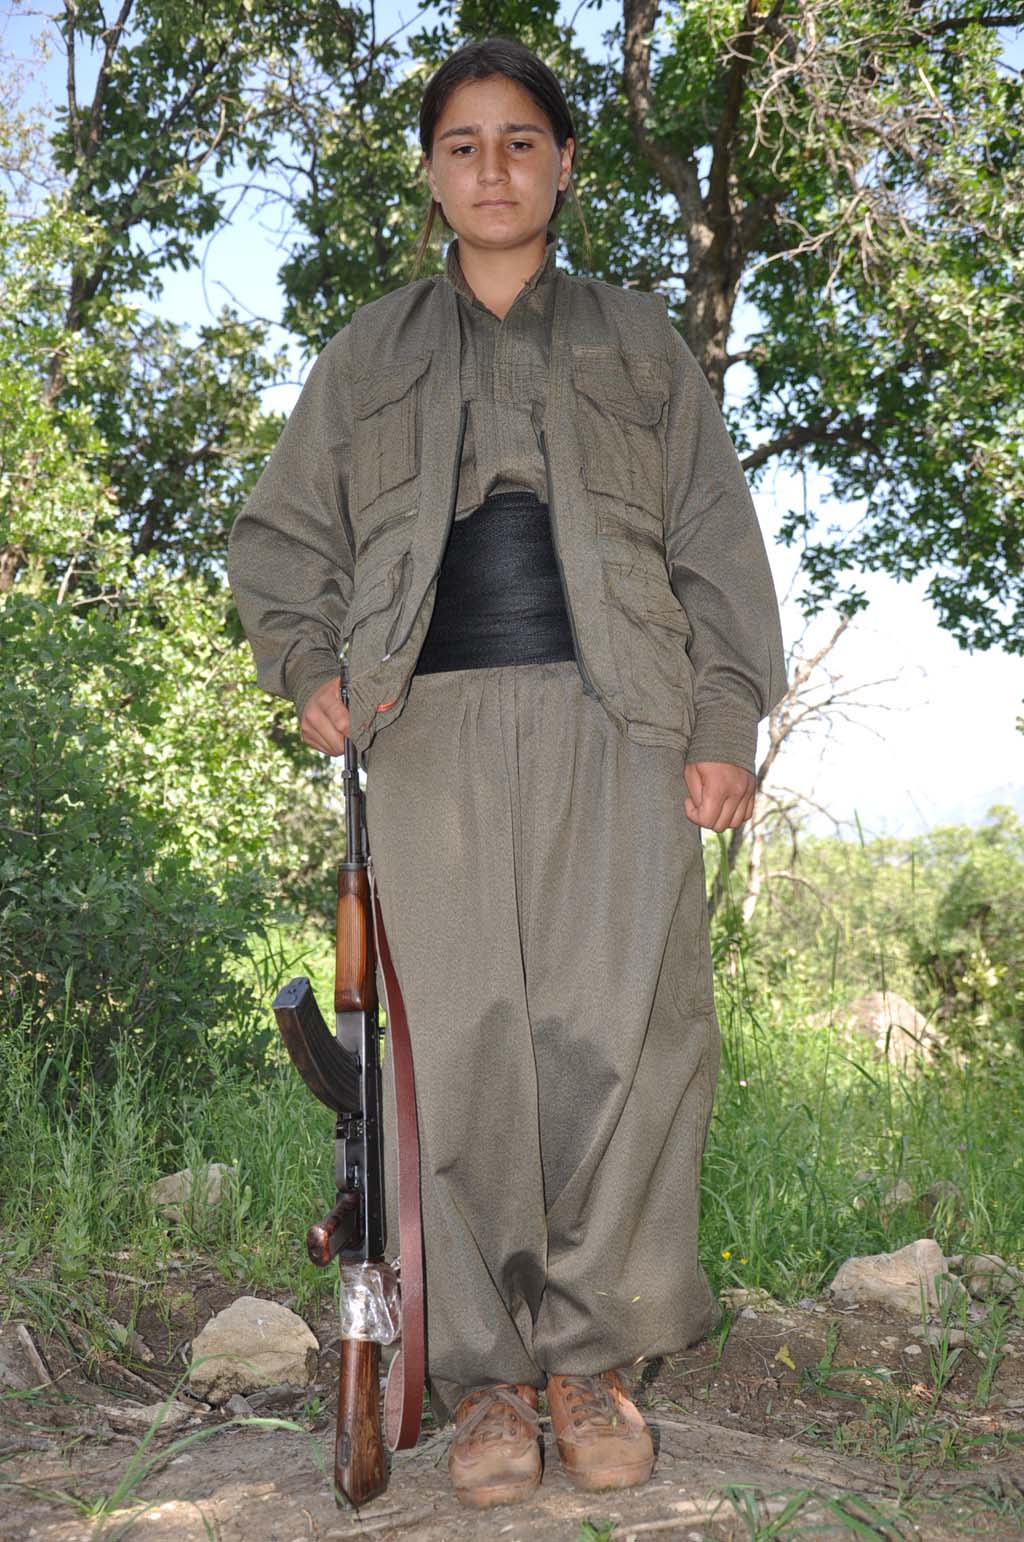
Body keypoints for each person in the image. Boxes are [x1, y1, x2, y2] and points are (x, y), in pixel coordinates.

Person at [229, 36, 785, 1510]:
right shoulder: (369, 353)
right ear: (431, 174)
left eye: (522, 140)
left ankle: (591, 1363)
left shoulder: (640, 344)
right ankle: (482, 1377)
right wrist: (308, 665)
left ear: (565, 164)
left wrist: (723, 719)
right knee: (462, 1048)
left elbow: (716, 544)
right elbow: (282, 543)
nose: (493, 168)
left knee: (625, 1036)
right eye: (464, 145)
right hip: (431, 731)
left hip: (623, 725)